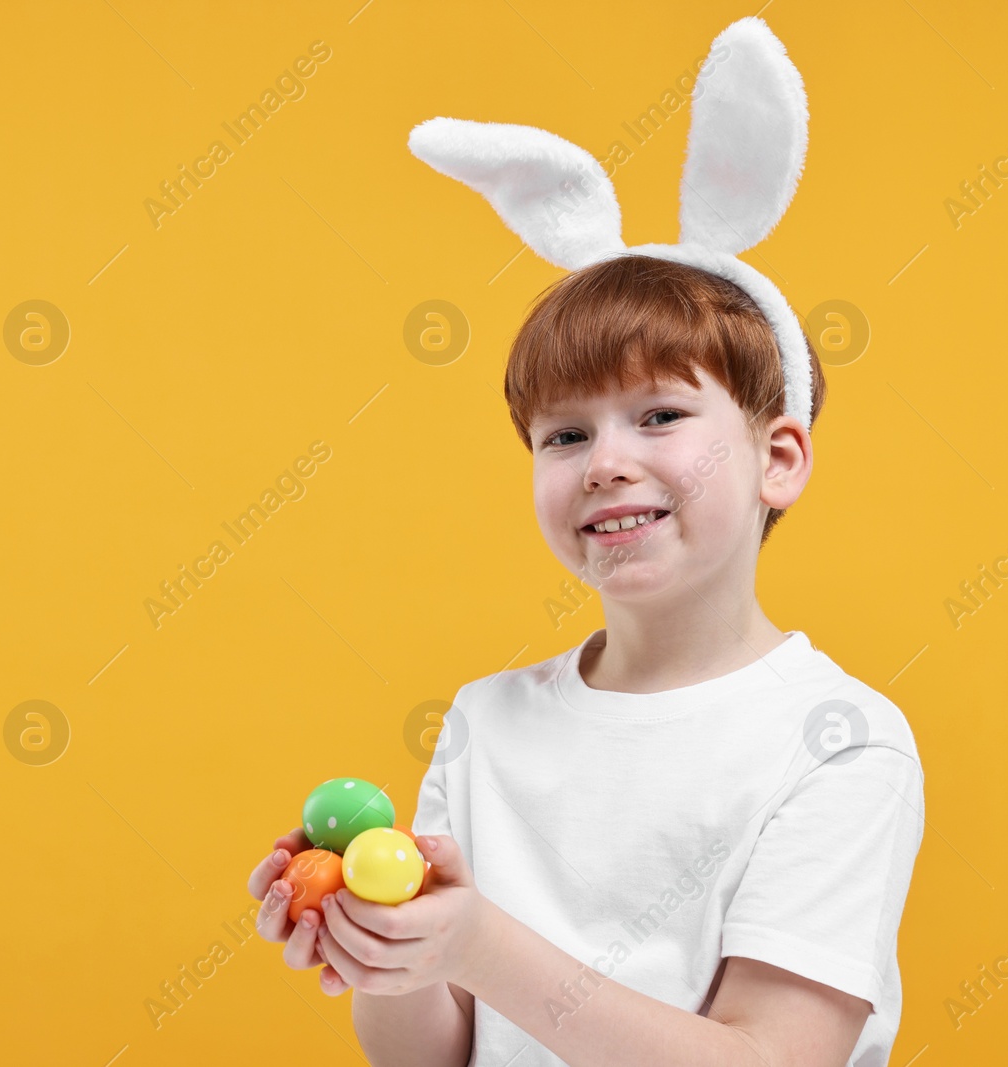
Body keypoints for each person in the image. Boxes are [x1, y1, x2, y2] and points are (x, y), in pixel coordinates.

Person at [244, 253, 925, 1065]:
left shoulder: (839, 739)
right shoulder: (486, 720)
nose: (604, 463)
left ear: (777, 459)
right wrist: (393, 949)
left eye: (661, 415)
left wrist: (478, 946)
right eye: (565, 434)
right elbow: (424, 1056)